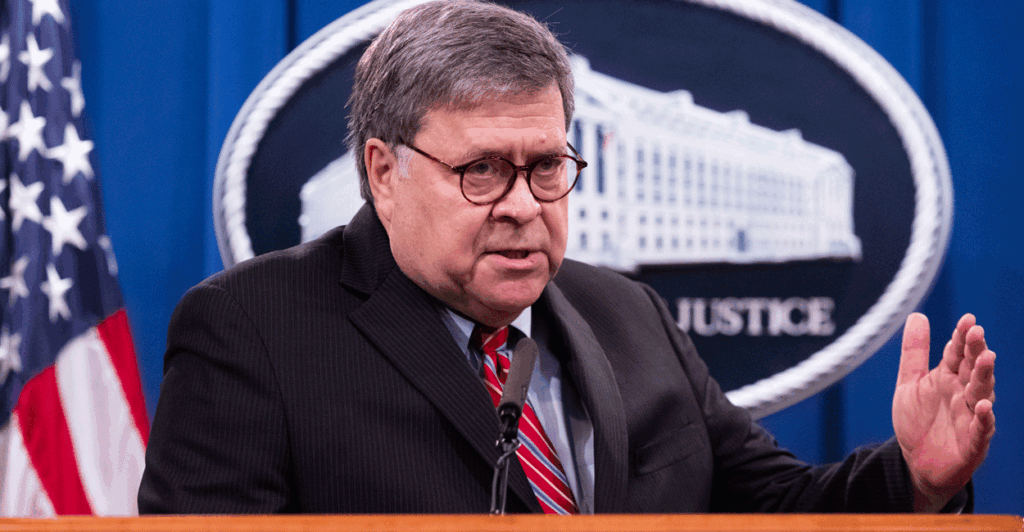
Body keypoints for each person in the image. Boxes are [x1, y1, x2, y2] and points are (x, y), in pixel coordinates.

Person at [138, 0, 996, 514]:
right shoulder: (251, 329)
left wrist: (915, 479)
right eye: (481, 169)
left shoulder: (629, 315)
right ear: (384, 172)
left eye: (546, 166)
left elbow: (773, 507)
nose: (522, 204)